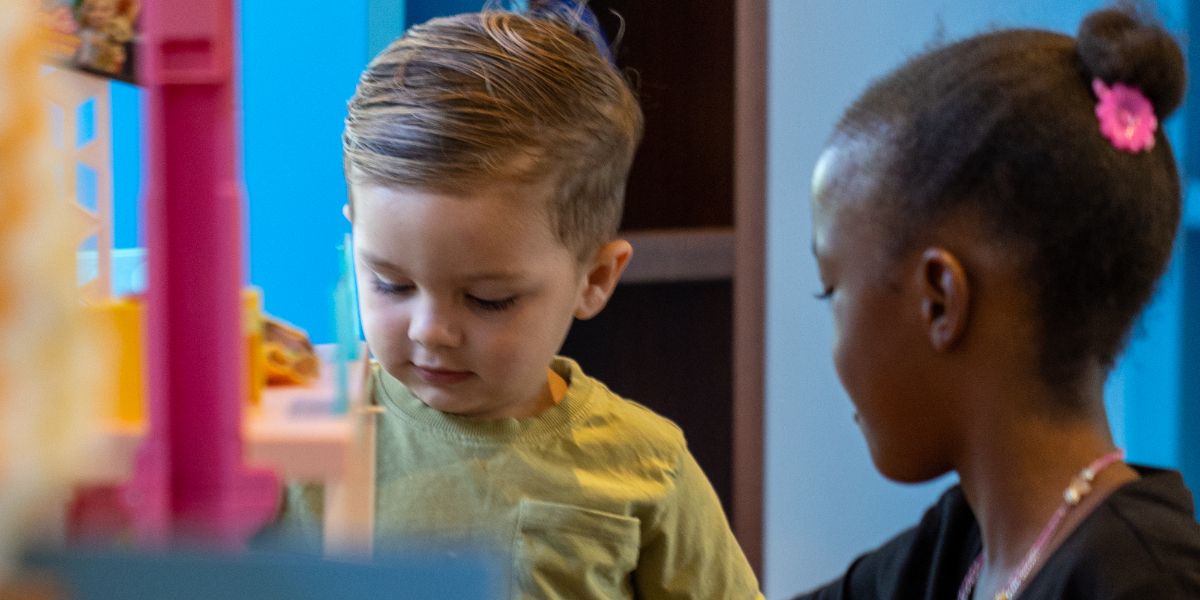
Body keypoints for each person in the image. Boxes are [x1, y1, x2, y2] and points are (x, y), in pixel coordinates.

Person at [261, 4, 762, 599]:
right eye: (391, 283)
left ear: (595, 279)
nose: (431, 331)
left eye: (487, 299)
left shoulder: (646, 468)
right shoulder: (297, 430)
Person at [795, 6, 1200, 599]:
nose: (829, 343)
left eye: (830, 290)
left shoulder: (1148, 581)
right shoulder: (955, 554)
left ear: (939, 300)